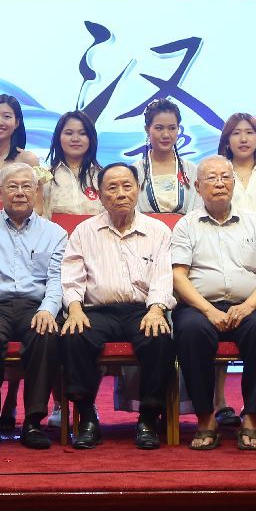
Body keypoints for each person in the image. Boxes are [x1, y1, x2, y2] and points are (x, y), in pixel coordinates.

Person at [61, 162, 175, 450]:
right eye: (112, 188)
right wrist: (74, 309)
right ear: (100, 195)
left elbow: (164, 276)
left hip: (142, 310)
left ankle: (148, 418)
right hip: (97, 311)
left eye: (127, 186)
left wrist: (157, 309)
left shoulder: (158, 231)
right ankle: (87, 418)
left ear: (138, 189)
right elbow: (72, 276)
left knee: (159, 337)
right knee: (75, 334)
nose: (121, 193)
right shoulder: (84, 231)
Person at [172, 156, 256, 451]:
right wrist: (207, 310)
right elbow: (178, 276)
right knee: (191, 332)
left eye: (225, 177)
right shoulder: (186, 225)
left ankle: (252, 418)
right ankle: (206, 418)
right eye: (211, 178)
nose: (219, 183)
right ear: (197, 186)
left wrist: (249, 306)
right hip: (199, 307)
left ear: (234, 183)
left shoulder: (255, 222)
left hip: (246, 306)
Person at [0, 162, 67, 449]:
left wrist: (48, 310)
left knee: (46, 334)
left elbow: (57, 279)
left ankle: (33, 422)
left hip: (35, 305)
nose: (19, 192)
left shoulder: (54, 232)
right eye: (12, 186)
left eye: (26, 186)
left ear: (36, 191)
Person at [136, 98, 199, 217]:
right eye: (159, 128)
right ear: (147, 129)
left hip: (185, 228)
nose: (166, 135)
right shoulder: (135, 171)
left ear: (178, 129)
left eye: (172, 128)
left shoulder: (192, 170)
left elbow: (197, 210)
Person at [44, 111, 104, 217]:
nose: (75, 139)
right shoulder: (45, 177)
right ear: (58, 137)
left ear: (91, 138)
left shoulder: (103, 177)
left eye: (83, 133)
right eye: (69, 133)